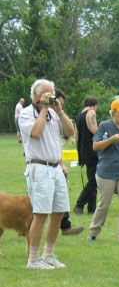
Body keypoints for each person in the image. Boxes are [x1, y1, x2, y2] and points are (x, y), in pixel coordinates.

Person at [18, 79, 76, 269]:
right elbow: (35, 133)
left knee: (58, 212)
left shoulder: (54, 113)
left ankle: (49, 254)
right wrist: (43, 109)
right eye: (47, 94)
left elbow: (70, 131)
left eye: (52, 94)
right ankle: (33, 259)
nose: (51, 97)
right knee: (41, 214)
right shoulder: (27, 113)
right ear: (36, 95)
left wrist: (59, 110)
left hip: (55, 167)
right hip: (38, 167)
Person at [88, 99, 119, 244]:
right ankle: (93, 232)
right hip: (106, 172)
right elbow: (96, 146)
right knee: (104, 205)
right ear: (114, 112)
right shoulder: (105, 126)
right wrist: (112, 139)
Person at [55, 88, 84, 236]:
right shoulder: (34, 114)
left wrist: (61, 163)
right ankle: (25, 226)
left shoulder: (57, 116)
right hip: (40, 166)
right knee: (34, 201)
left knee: (61, 198)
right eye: (58, 103)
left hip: (56, 164)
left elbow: (69, 132)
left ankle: (65, 227)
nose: (59, 106)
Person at [74, 96, 99, 214]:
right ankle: (79, 204)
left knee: (92, 179)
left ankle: (92, 207)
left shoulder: (79, 116)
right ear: (94, 104)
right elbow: (94, 130)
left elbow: (76, 136)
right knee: (95, 180)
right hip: (92, 150)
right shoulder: (91, 112)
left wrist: (79, 153)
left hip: (83, 151)